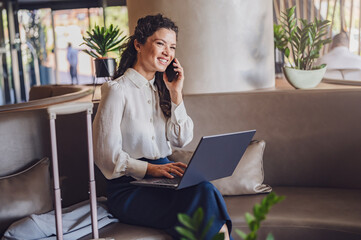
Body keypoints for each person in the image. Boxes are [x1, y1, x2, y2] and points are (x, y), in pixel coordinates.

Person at [93, 14, 233, 239]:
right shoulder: (116, 90)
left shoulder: (163, 89)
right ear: (138, 44)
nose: (168, 52)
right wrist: (149, 169)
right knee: (205, 196)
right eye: (160, 44)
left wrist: (176, 93)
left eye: (173, 47)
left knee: (204, 190)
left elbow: (182, 139)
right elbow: (104, 156)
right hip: (130, 188)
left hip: (165, 180)